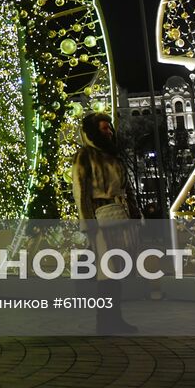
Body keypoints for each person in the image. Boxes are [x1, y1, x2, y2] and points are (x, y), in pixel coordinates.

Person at [73, 112, 140, 335]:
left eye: (109, 128)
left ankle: (115, 319)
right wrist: (88, 223)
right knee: (107, 270)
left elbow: (127, 188)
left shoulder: (114, 157)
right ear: (94, 132)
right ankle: (105, 321)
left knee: (117, 269)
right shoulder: (85, 156)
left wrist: (135, 213)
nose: (109, 132)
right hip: (100, 219)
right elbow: (81, 192)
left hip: (120, 217)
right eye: (103, 129)